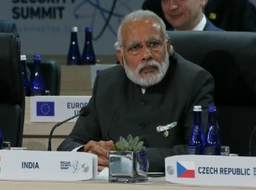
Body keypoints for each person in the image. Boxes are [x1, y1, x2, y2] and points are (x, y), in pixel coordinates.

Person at [57, 9, 214, 172]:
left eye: (154, 44)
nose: (146, 55)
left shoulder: (194, 81)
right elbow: (70, 144)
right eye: (135, 48)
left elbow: (201, 150)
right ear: (121, 57)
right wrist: (87, 154)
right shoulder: (107, 82)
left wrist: (127, 160)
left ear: (167, 46)